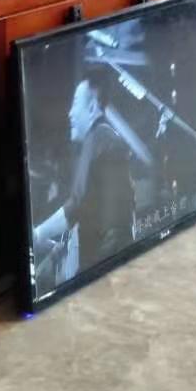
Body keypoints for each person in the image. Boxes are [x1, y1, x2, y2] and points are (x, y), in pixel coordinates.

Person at [32, 65, 136, 280]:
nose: (70, 113)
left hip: (105, 264)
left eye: (75, 103)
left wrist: (38, 233)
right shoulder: (105, 139)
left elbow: (77, 204)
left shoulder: (98, 138)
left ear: (92, 108)